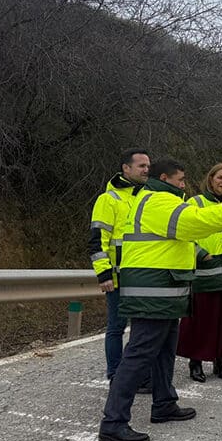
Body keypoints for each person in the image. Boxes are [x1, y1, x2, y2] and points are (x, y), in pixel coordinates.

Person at [98, 158, 222, 441]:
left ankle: (164, 404)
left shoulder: (158, 201)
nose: (184, 184)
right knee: (139, 354)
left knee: (165, 350)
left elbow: (179, 237)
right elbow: (196, 222)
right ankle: (113, 421)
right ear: (165, 178)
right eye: (180, 179)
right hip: (153, 292)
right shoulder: (158, 201)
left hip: (166, 291)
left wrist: (199, 255)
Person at [88, 148, 150, 382]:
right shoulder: (109, 199)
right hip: (118, 276)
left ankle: (136, 374)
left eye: (148, 166)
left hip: (143, 275)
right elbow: (97, 239)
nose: (146, 170)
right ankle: (115, 374)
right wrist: (104, 274)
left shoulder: (146, 197)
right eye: (141, 166)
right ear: (126, 168)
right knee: (116, 327)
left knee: (141, 329)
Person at [176, 162, 222, 382]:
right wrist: (201, 253)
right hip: (204, 271)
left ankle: (219, 362)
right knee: (200, 320)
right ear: (210, 178)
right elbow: (184, 234)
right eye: (220, 177)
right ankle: (195, 362)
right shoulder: (196, 203)